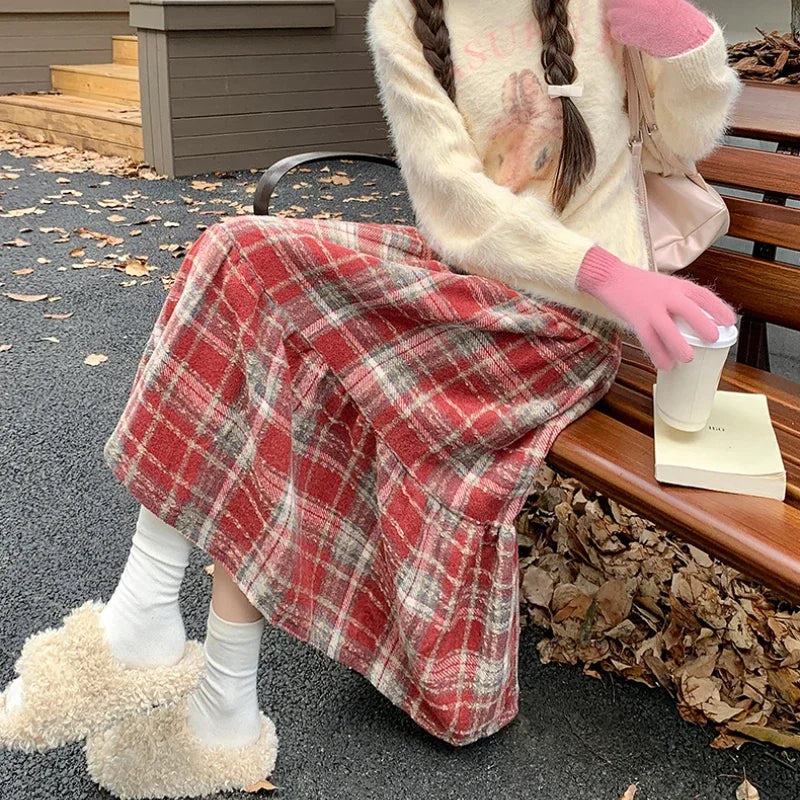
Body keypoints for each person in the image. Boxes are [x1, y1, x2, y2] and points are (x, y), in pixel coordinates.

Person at [0, 0, 741, 796]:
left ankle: (176, 651)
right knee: (251, 280)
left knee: (274, 308)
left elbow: (685, 142)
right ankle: (206, 681)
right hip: (474, 286)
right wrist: (605, 270)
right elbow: (454, 201)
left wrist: (684, 40)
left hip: (559, 332)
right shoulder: (403, 18)